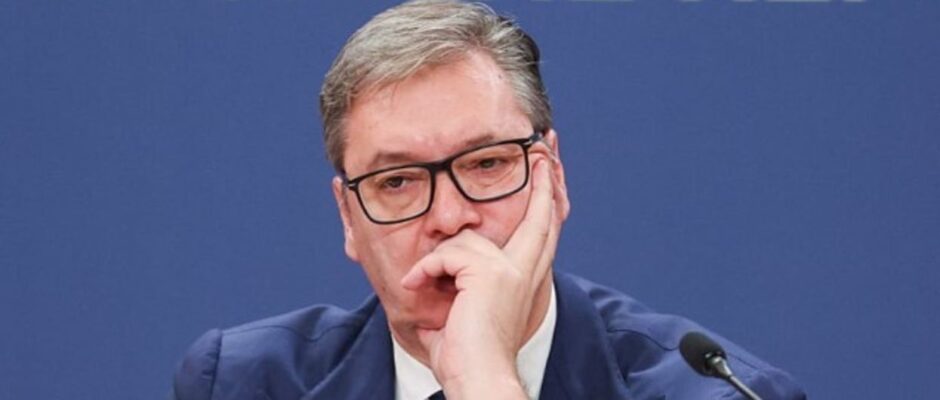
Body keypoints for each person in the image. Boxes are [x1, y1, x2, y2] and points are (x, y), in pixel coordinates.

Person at [173, 1, 806, 399]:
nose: (450, 219)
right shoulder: (241, 384)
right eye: (397, 182)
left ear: (552, 180)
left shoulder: (716, 393)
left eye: (486, 165)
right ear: (348, 218)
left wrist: (483, 378)